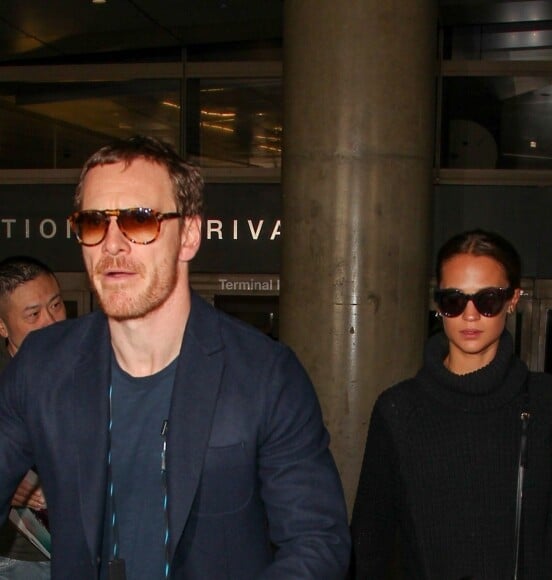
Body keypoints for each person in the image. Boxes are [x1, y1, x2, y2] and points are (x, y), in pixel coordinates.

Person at [0, 135, 350, 580]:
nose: (112, 245)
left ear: (188, 236)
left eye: (139, 220)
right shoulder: (42, 366)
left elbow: (317, 542)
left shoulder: (264, 374)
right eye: (94, 223)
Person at [351, 229, 552, 579]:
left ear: (513, 299)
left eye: (487, 300)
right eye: (454, 300)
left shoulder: (549, 403)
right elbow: (372, 543)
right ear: (438, 303)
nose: (470, 316)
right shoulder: (399, 409)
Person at [0, 256, 67, 579]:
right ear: (2, 325)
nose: (51, 322)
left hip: (84, 549)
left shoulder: (89, 371)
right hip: (21, 557)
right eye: (33, 314)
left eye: (56, 305)